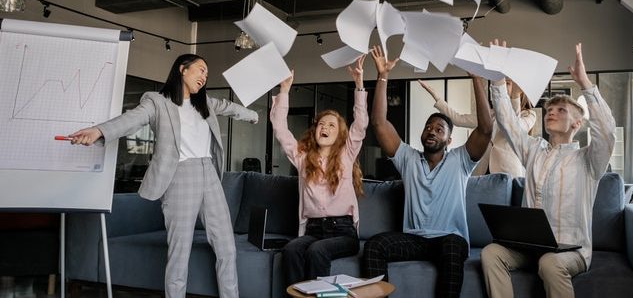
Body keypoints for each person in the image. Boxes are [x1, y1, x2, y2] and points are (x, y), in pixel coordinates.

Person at [68, 54, 259, 298]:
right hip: (180, 176)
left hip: (209, 173)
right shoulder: (157, 102)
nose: (204, 77)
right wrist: (99, 131)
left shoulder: (206, 104)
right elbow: (132, 120)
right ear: (182, 69)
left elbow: (229, 107)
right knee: (180, 252)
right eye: (200, 70)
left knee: (227, 247)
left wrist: (254, 116)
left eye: (206, 74)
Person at [481, 43, 616, 298]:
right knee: (491, 253)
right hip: (529, 247)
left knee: (550, 263)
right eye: (549, 110)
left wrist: (584, 82)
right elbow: (508, 124)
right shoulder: (533, 149)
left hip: (570, 252)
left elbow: (607, 132)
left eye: (561, 110)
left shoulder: (588, 159)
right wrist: (497, 78)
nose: (551, 113)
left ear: (577, 123)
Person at [362, 45, 493, 298]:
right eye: (428, 127)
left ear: (449, 140)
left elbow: (485, 130)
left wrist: (477, 78)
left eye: (439, 129)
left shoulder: (461, 160)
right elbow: (378, 123)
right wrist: (382, 76)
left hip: (450, 240)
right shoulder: (408, 158)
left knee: (455, 247)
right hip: (414, 239)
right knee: (374, 245)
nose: (432, 131)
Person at [270, 55, 368, 286]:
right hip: (313, 229)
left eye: (331, 125)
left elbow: (360, 125)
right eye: (321, 124)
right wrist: (284, 89)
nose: (324, 127)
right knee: (292, 249)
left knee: (316, 251)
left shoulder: (347, 153)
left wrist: (359, 84)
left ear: (340, 135)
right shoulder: (302, 158)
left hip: (343, 232)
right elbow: (280, 129)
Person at [418, 75, 536, 177]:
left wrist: (515, 97)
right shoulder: (490, 113)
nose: (503, 87)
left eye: (508, 84)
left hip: (507, 171)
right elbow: (458, 119)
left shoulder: (529, 114)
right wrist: (435, 96)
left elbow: (512, 128)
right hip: (482, 170)